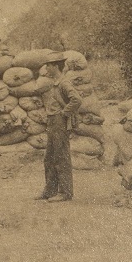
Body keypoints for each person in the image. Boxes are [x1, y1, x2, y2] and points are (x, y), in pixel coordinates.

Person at [37, 51, 83, 203]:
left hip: (59, 122)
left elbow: (76, 99)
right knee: (49, 157)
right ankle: (50, 190)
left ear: (56, 66)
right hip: (53, 122)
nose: (46, 69)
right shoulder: (55, 82)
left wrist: (64, 113)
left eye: (48, 66)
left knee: (61, 156)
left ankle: (65, 192)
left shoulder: (64, 83)